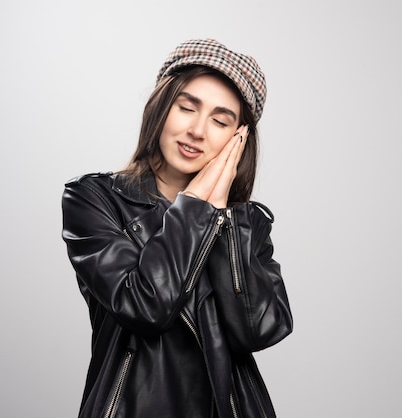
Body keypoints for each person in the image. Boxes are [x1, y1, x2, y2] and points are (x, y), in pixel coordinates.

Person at [61, 38, 293, 418]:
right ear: (161, 107)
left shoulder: (244, 223)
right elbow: (144, 306)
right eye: (186, 108)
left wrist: (223, 219)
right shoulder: (93, 199)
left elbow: (259, 330)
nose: (198, 130)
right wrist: (196, 208)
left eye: (220, 121)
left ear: (239, 139)